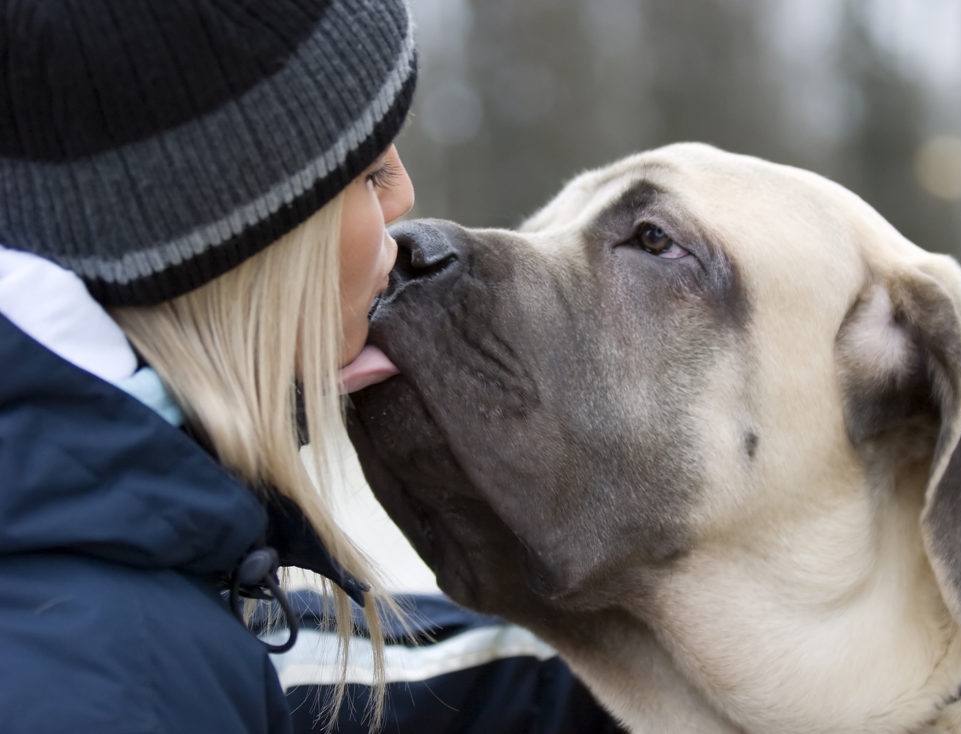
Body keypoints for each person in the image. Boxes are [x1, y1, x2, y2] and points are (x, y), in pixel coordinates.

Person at [0, 1, 624, 732]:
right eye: (362, 172)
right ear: (236, 247)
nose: (403, 196)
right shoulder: (122, 685)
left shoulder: (101, 564)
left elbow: (294, 674)